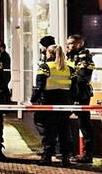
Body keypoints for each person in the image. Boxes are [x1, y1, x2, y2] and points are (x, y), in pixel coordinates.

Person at [35, 44, 74, 166]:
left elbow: (39, 86)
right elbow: (74, 89)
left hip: (49, 103)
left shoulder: (45, 67)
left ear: (49, 54)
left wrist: (32, 100)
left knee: (49, 131)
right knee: (64, 131)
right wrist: (71, 102)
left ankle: (47, 157)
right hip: (65, 104)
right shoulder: (69, 69)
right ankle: (65, 159)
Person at [65, 34, 96, 164]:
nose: (68, 46)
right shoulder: (71, 56)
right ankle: (69, 151)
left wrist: (76, 95)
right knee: (64, 121)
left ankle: (88, 154)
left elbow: (82, 78)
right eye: (67, 44)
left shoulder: (85, 58)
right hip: (71, 93)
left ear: (79, 44)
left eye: (71, 44)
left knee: (84, 123)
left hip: (81, 94)